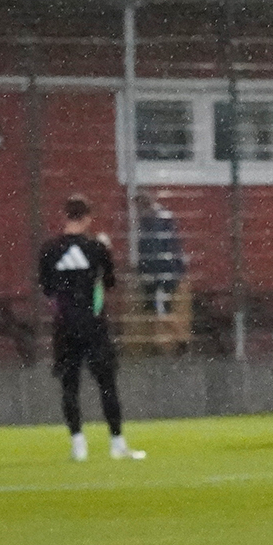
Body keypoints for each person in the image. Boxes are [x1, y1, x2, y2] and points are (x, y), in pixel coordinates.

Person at [37, 195, 144, 461]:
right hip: (93, 324)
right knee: (106, 383)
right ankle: (117, 442)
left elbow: (47, 288)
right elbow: (109, 282)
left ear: (65, 216)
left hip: (65, 325)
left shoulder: (49, 249)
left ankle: (78, 444)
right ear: (87, 218)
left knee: (69, 384)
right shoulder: (96, 247)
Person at [136, 194, 187, 317]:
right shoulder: (160, 217)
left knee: (160, 303)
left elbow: (153, 246)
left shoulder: (153, 219)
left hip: (160, 267)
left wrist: (144, 267)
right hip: (164, 267)